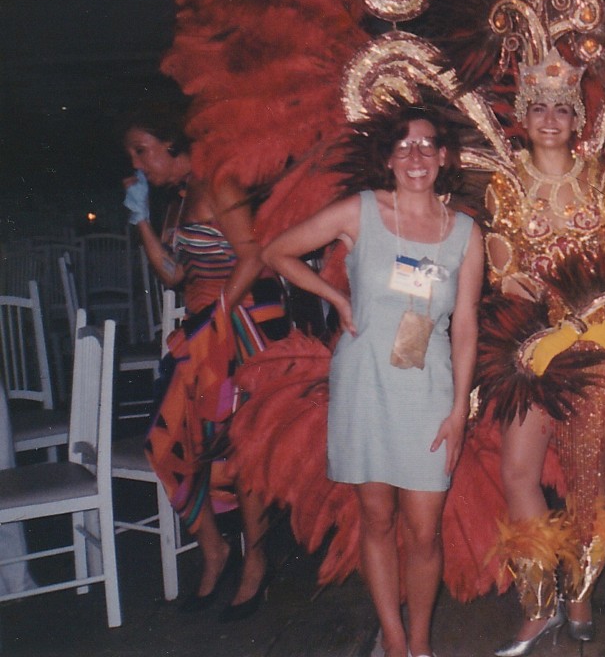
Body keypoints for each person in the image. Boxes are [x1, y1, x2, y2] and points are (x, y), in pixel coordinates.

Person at [261, 107, 483, 657]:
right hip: (364, 383)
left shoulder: (465, 233)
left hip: (428, 387)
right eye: (403, 146)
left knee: (425, 530)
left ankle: (421, 642)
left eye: (427, 145)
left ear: (444, 157)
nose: (416, 156)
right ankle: (395, 639)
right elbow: (275, 252)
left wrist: (459, 409)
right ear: (387, 158)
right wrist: (337, 298)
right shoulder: (360, 211)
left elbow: (465, 327)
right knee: (377, 519)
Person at [484, 49, 605, 657]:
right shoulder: (505, 184)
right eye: (539, 107)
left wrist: (593, 318)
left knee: (586, 476)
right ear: (523, 116)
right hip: (530, 351)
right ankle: (537, 603)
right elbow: (502, 265)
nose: (550, 119)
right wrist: (519, 288)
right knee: (517, 473)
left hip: (597, 349)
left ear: (577, 119)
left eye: (562, 109)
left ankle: (579, 594)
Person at [123, 102, 289, 621]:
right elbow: (174, 275)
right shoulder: (177, 201)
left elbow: (254, 256)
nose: (136, 164)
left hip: (244, 323)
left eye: (142, 150)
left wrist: (214, 321)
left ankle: (255, 559)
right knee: (165, 444)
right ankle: (215, 549)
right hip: (205, 329)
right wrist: (141, 220)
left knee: (240, 447)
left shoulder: (220, 182)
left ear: (171, 141)